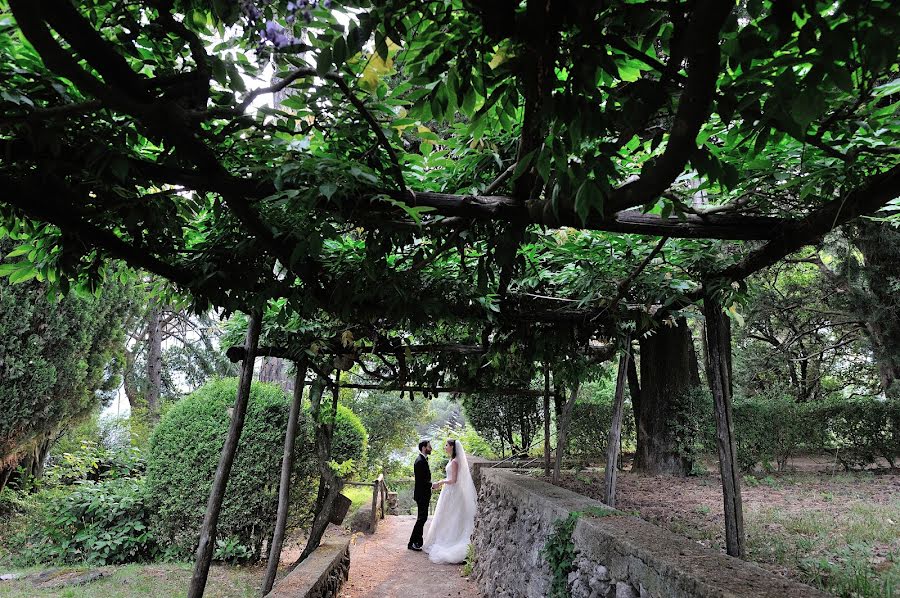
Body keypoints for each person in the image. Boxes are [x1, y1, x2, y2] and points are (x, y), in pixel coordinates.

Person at [422, 438, 478, 564]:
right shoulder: (453, 460)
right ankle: (445, 537)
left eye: (446, 445)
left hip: (453, 492)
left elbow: (453, 480)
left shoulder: (454, 462)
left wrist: (440, 482)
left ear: (452, 447)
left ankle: (449, 540)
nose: (445, 447)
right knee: (447, 516)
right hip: (450, 491)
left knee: (450, 516)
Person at [407, 439, 432, 551]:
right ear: (423, 448)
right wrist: (433, 485)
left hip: (423, 494)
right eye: (429, 446)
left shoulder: (423, 459)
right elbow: (422, 481)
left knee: (422, 518)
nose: (431, 448)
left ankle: (418, 541)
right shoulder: (420, 461)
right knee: (422, 518)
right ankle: (412, 542)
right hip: (422, 494)